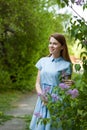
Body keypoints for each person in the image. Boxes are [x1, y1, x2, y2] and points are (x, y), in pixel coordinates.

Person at [30, 33, 73, 130]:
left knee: (55, 126)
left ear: (62, 47)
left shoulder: (66, 65)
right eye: (50, 43)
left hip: (58, 101)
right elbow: (37, 83)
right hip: (43, 99)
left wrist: (72, 84)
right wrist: (42, 96)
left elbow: (66, 88)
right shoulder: (43, 61)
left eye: (55, 44)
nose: (51, 46)